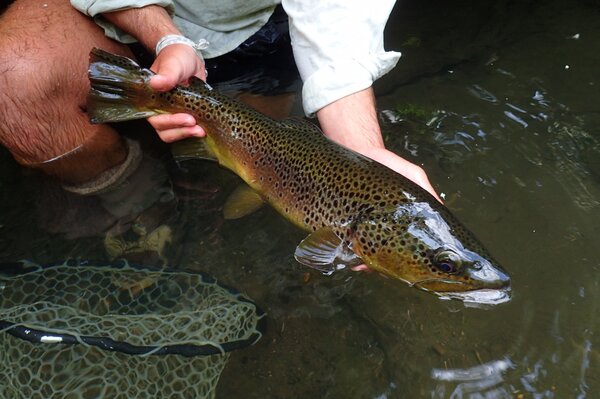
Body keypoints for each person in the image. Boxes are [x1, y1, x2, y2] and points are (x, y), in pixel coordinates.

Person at [0, 0, 439, 209]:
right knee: (10, 82)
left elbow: (336, 23)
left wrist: (365, 154)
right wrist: (166, 37)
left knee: (260, 150)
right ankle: (138, 203)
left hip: (254, 25)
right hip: (105, 15)